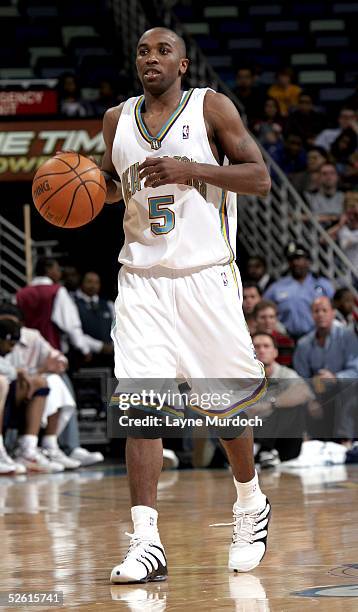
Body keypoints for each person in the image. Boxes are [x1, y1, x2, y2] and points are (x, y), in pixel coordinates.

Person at [101, 27, 271, 584]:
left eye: (163, 51)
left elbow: (260, 178)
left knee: (225, 407)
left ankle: (249, 501)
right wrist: (78, 185)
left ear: (183, 64)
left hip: (205, 277)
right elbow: (109, 187)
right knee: (141, 405)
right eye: (143, 52)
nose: (151, 58)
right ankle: (146, 539)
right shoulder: (114, 120)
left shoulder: (211, 108)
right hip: (142, 280)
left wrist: (191, 169)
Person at [16, 258, 111, 359]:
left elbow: (17, 323)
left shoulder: (21, 294)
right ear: (48, 270)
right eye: (57, 269)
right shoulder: (57, 291)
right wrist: (84, 348)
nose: (59, 273)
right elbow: (70, 325)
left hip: (27, 352)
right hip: (51, 351)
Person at [293, 297, 358, 443]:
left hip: (343, 386)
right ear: (311, 315)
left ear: (333, 313)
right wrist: (311, 398)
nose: (320, 314)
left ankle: (344, 439)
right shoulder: (304, 344)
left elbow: (355, 369)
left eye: (324, 310)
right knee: (296, 393)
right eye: (316, 311)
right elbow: (301, 377)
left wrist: (335, 377)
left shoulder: (347, 336)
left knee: (349, 389)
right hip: (317, 388)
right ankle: (303, 443)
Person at [251, 333, 313, 468]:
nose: (261, 350)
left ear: (275, 352)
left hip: (282, 439)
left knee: (292, 407)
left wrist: (269, 405)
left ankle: (265, 451)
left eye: (266, 346)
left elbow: (304, 392)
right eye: (257, 346)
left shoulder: (286, 374)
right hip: (254, 431)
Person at [264, 242, 334, 340]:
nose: (295, 263)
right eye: (291, 260)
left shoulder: (322, 283)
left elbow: (334, 308)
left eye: (298, 259)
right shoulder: (277, 287)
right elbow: (263, 309)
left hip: (318, 337)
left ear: (307, 261)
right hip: (287, 339)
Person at [253, 300, 295, 367]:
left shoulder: (285, 341)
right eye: (263, 317)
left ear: (276, 319)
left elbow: (285, 367)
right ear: (255, 319)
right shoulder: (248, 341)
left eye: (271, 317)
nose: (268, 321)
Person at [305, 163, 345, 229]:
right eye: (324, 174)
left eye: (332, 173)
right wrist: (332, 217)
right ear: (318, 177)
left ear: (337, 176)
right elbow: (297, 216)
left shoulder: (344, 197)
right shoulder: (309, 197)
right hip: (314, 234)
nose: (328, 177)